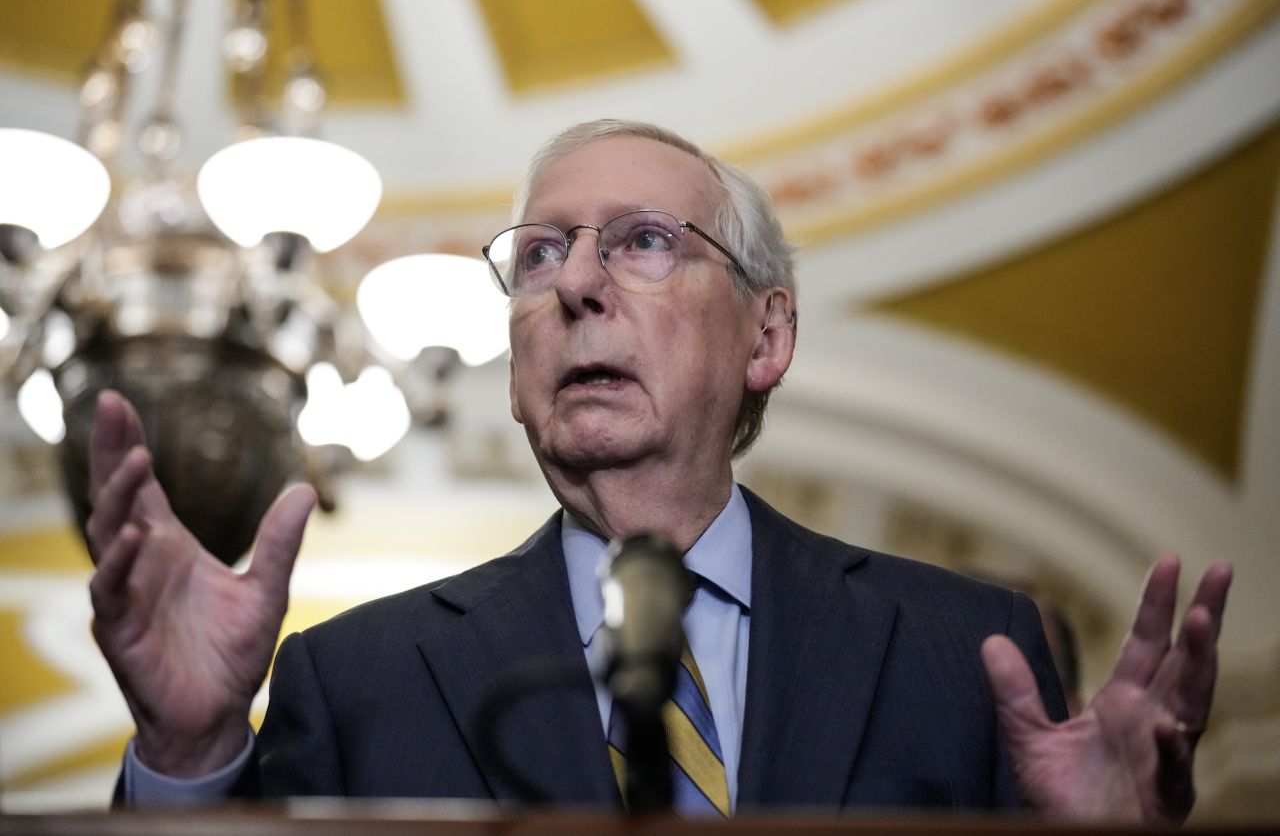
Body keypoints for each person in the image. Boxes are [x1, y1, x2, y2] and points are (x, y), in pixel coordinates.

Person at [86, 119, 1232, 819]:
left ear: (765, 338)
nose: (575, 284)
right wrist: (187, 756)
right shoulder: (357, 678)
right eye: (541, 254)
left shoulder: (967, 650)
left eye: (640, 241)